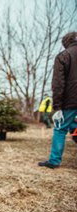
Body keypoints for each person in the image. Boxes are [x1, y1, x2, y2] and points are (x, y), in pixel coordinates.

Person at [38, 32, 77, 169]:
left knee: (60, 129)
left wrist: (58, 107)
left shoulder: (64, 56)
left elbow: (58, 84)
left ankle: (54, 161)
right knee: (74, 126)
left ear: (66, 43)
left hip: (70, 101)